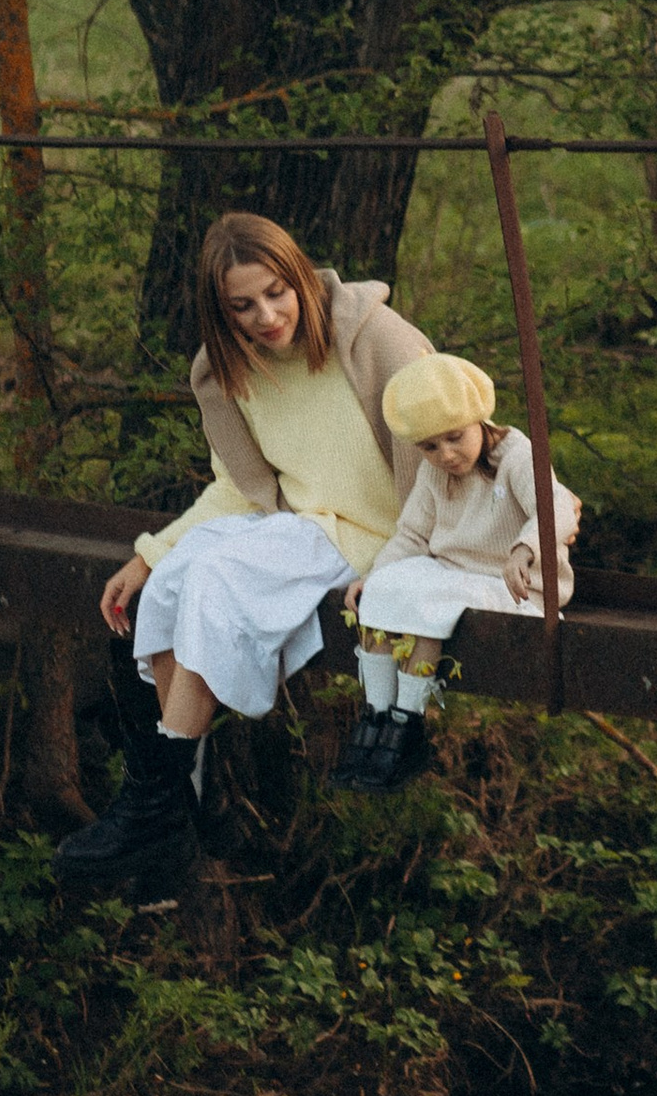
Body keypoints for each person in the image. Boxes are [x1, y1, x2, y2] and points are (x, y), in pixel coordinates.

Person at [58, 211, 434, 886]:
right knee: (176, 580)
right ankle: (176, 805)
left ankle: (156, 807)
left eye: (277, 292)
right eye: (243, 305)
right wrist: (152, 554)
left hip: (381, 534)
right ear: (220, 309)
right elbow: (239, 487)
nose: (266, 315)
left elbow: (442, 459)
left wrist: (402, 563)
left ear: (299, 278)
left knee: (219, 576)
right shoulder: (228, 369)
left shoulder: (375, 337)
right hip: (296, 524)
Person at [345, 354, 581, 793]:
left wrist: (524, 549)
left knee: (426, 608)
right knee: (382, 595)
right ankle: (375, 718)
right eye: (430, 447)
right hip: (455, 573)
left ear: (479, 419)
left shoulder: (516, 456)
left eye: (455, 438)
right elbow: (413, 535)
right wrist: (374, 576)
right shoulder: (435, 473)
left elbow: (558, 508)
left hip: (514, 585)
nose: (446, 455)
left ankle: (408, 725)